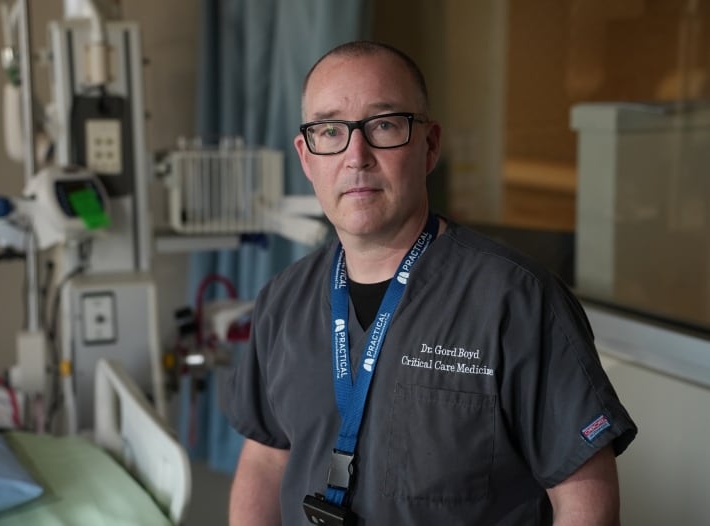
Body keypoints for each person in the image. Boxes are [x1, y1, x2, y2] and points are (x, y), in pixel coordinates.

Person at [224, 40, 637, 525]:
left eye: (384, 125)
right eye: (330, 130)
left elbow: (585, 495)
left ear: (430, 145)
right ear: (307, 157)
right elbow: (266, 459)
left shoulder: (514, 299)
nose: (356, 156)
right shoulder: (284, 300)